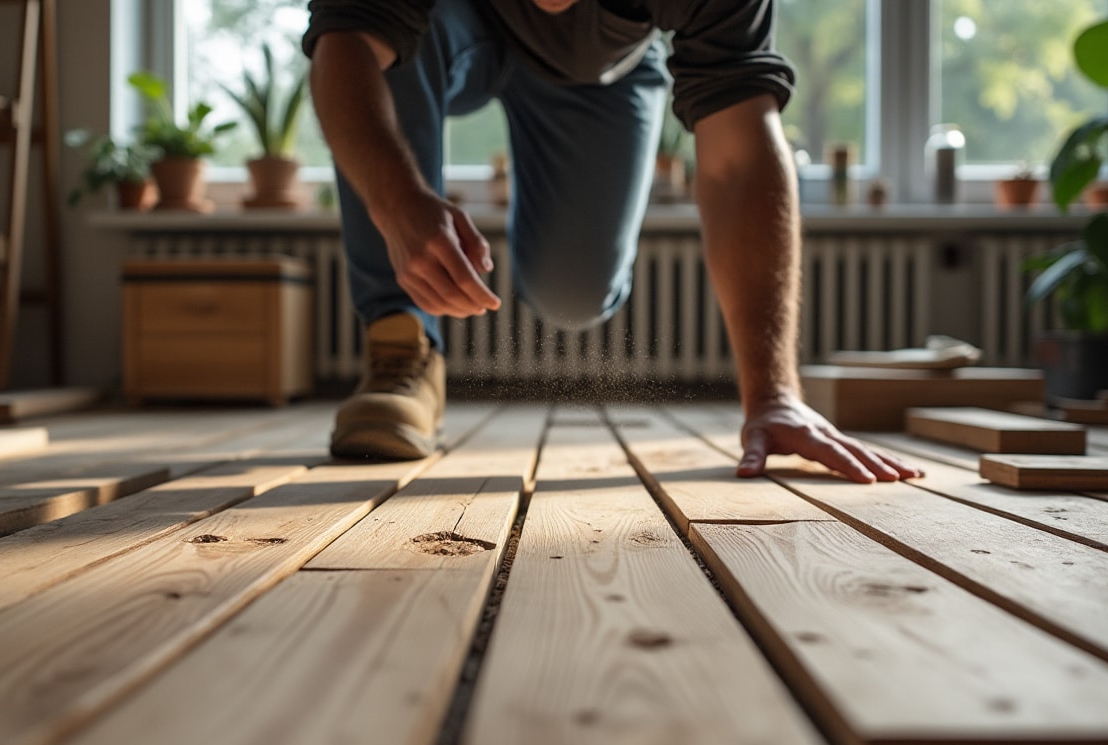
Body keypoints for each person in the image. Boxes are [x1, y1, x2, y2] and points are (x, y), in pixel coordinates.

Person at [304, 0, 921, 483]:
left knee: (574, 292)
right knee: (385, 40)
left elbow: (737, 154)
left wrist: (774, 396)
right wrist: (398, 203)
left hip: (602, 69)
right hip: (448, 27)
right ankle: (399, 348)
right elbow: (347, 43)